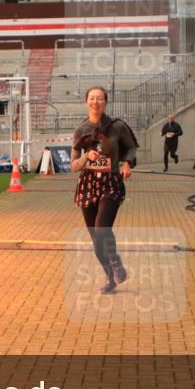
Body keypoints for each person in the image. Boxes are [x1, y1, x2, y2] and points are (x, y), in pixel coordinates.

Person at [71, 86, 138, 294]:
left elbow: (132, 147)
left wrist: (127, 163)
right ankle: (111, 278)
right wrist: (85, 158)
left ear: (105, 102)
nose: (95, 102)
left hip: (111, 183)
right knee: (96, 239)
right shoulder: (81, 130)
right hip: (88, 185)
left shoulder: (117, 126)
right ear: (86, 102)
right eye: (92, 98)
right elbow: (73, 165)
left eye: (100, 98)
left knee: (101, 229)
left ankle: (116, 261)